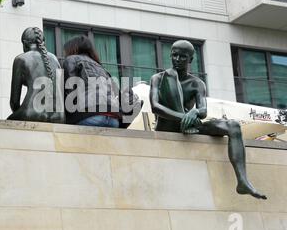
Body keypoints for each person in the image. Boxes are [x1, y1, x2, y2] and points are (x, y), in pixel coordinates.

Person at [149, 40, 267, 200]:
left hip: (189, 127)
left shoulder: (197, 83)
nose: (177, 59)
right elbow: (155, 106)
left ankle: (242, 181)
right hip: (168, 126)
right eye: (174, 55)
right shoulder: (158, 78)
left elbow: (203, 111)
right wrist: (185, 116)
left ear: (190, 60)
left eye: (182, 57)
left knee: (233, 125)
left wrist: (196, 111)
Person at [7, 27, 65, 123]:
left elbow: (14, 102)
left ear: (25, 43)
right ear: (43, 43)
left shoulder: (21, 59)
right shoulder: (54, 58)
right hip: (59, 115)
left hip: (31, 113)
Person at [62, 35, 122, 128]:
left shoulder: (71, 59)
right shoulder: (102, 68)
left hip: (90, 116)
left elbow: (70, 91)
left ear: (71, 48)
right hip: (114, 119)